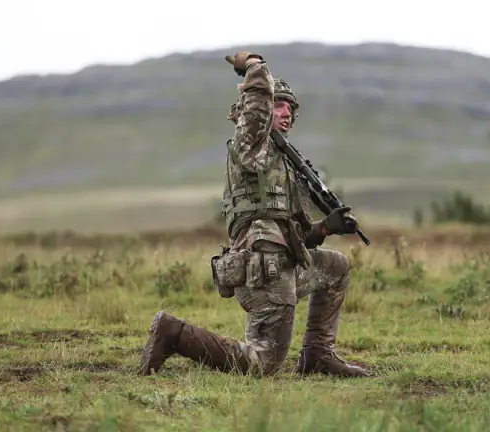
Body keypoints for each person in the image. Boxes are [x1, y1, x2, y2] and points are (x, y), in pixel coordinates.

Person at [138, 51, 372, 378]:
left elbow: (293, 236)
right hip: (263, 271)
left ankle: (317, 355)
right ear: (258, 112)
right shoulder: (251, 145)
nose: (286, 112)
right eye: (279, 105)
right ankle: (174, 333)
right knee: (264, 363)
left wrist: (325, 228)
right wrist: (253, 63)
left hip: (281, 263)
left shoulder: (284, 164)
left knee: (335, 267)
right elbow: (259, 98)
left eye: (290, 107)